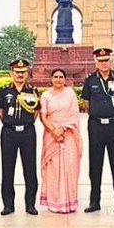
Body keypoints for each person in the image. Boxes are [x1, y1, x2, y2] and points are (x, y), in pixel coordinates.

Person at [80, 47, 114, 213]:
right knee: (95, 164)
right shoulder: (90, 80)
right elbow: (86, 103)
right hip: (96, 126)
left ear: (111, 60)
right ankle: (94, 201)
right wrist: (97, 115)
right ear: (96, 62)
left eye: (106, 60)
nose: (103, 63)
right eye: (100, 61)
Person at [0, 58, 40, 216]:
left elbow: (36, 111)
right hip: (9, 133)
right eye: (17, 72)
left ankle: (30, 204)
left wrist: (26, 123)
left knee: (30, 169)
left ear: (27, 73)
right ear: (11, 73)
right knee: (8, 169)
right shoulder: (4, 91)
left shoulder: (32, 91)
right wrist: (11, 124)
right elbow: (0, 111)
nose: (20, 74)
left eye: (23, 72)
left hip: (28, 133)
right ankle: (8, 205)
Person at [39, 68, 82, 214]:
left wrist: (63, 129)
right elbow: (43, 116)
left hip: (69, 135)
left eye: (61, 77)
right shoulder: (45, 95)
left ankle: (70, 201)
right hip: (51, 136)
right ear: (51, 79)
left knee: (70, 167)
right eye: (55, 77)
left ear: (65, 79)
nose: (58, 79)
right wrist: (54, 131)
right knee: (54, 169)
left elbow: (74, 115)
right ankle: (54, 201)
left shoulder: (70, 94)